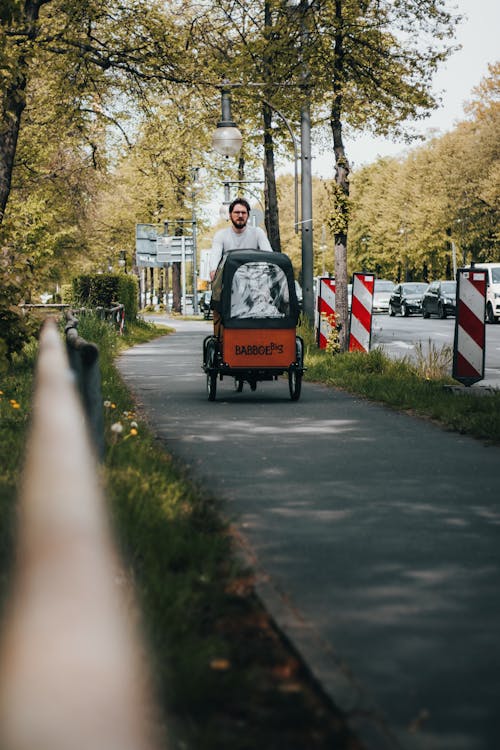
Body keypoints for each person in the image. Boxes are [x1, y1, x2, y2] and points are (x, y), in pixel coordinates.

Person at [209, 198, 274, 337]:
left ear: (248, 215)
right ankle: (221, 340)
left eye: (243, 213)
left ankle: (263, 338)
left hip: (254, 284)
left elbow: (269, 256)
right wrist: (213, 271)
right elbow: (214, 257)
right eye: (237, 212)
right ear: (230, 215)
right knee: (219, 309)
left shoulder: (257, 233)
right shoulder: (221, 235)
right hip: (229, 285)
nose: (240, 215)